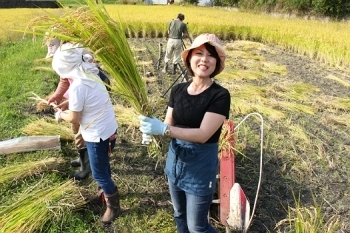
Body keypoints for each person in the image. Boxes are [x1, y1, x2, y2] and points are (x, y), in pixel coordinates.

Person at [139, 33, 231, 232]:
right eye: (199, 53)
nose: (204, 59)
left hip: (200, 169)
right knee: (179, 214)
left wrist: (164, 129)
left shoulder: (220, 95)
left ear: (216, 62)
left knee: (197, 226)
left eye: (211, 55)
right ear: (190, 58)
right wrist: (150, 129)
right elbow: (167, 124)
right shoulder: (178, 90)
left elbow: (203, 134)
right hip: (175, 163)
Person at [52, 43, 121, 223]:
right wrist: (67, 104)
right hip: (109, 129)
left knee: (99, 173)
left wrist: (60, 114)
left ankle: (113, 207)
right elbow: (86, 100)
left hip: (97, 135)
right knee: (103, 166)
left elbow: (74, 118)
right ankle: (104, 194)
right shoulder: (91, 73)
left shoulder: (77, 86)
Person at [46, 39, 110, 180]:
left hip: (89, 108)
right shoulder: (67, 62)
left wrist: (61, 114)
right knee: (77, 132)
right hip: (77, 101)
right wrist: (58, 98)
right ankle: (83, 159)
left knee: (83, 134)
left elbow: (88, 95)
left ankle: (87, 167)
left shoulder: (84, 68)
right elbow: (64, 81)